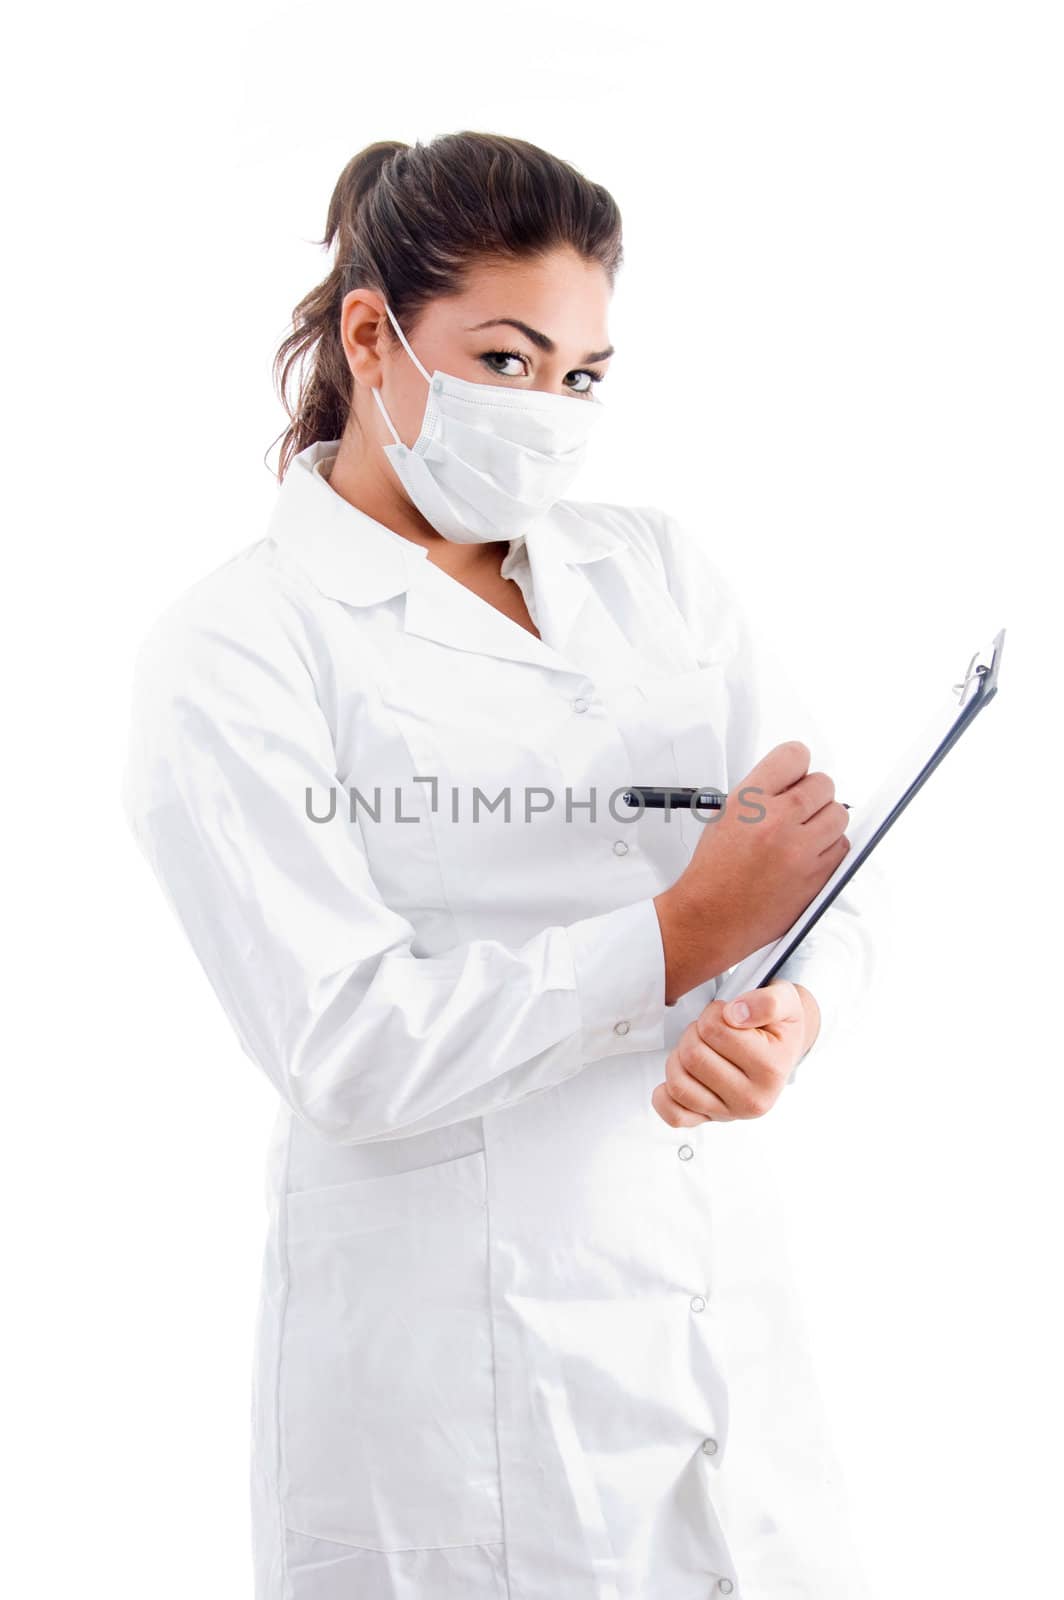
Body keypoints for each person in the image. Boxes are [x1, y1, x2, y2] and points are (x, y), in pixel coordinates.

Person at [121, 132, 881, 1600]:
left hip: (714, 1331)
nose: (549, 412)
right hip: (453, 1402)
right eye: (509, 360)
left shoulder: (651, 570)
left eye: (583, 376)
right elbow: (341, 1043)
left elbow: (827, 861)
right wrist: (675, 935)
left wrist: (793, 1006)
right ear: (371, 334)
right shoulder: (236, 647)